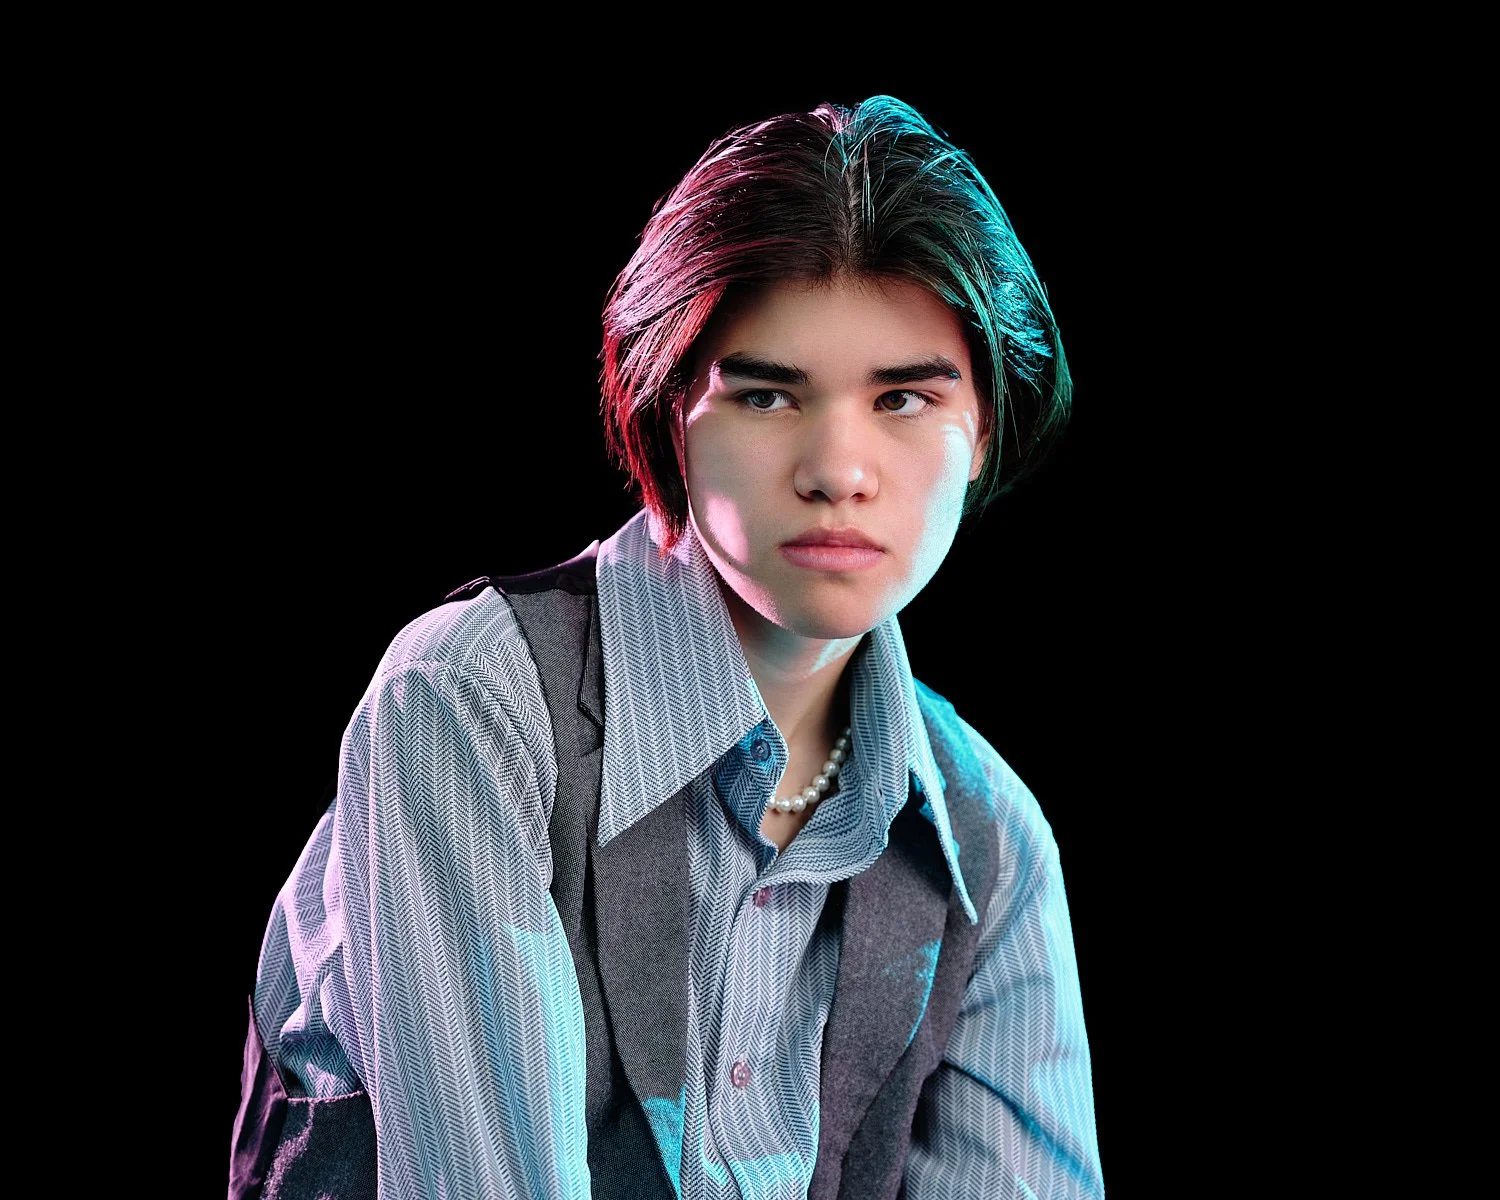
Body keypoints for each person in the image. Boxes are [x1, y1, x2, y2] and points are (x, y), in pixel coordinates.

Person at [230, 94, 1104, 1199]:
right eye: (768, 395)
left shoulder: (991, 839)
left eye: (902, 399)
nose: (838, 470)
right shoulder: (473, 708)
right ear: (666, 407)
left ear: (982, 430)